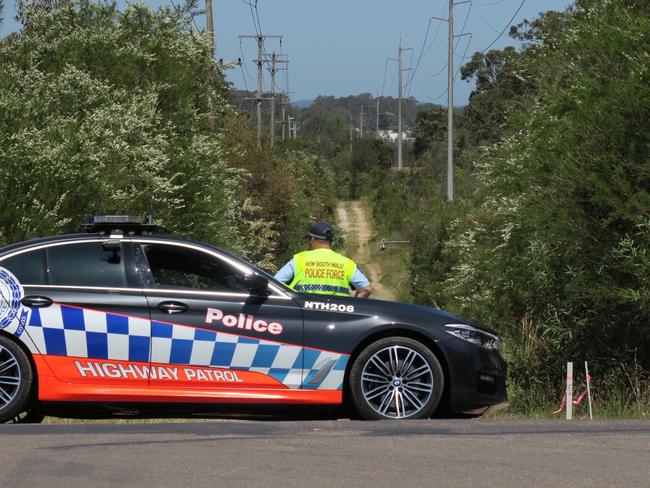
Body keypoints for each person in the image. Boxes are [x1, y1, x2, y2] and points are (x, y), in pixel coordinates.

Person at [274, 220, 373, 298]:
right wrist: (352, 307)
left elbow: (275, 284)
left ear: (312, 239)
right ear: (331, 241)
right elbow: (366, 289)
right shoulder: (346, 263)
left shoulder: (299, 260)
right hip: (336, 316)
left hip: (304, 314)